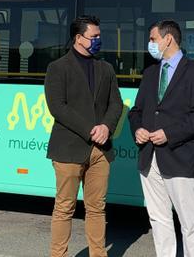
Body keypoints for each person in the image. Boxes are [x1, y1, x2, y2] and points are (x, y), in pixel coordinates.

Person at [129, 19, 194, 257]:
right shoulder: (150, 73)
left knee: (190, 221)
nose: (150, 44)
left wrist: (169, 134)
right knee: (158, 218)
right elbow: (136, 112)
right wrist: (137, 129)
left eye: (153, 39)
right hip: (149, 157)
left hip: (180, 156)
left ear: (168, 39)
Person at [44, 15, 123, 257]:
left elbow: (116, 103)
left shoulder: (105, 68)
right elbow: (58, 106)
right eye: (94, 37)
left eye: (99, 36)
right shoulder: (57, 68)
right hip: (68, 149)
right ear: (78, 38)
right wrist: (92, 129)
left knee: (97, 209)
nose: (98, 40)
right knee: (64, 208)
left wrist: (106, 127)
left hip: (100, 150)